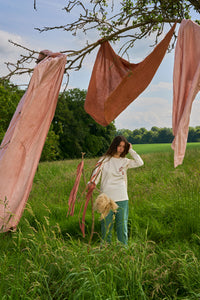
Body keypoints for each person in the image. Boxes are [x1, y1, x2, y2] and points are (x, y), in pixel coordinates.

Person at [89, 135, 144, 245]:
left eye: (123, 147)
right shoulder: (103, 160)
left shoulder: (125, 161)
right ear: (114, 145)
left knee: (122, 227)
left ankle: (123, 252)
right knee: (106, 227)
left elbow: (140, 162)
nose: (121, 149)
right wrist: (92, 184)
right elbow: (95, 177)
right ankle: (105, 251)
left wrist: (131, 150)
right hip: (107, 199)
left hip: (122, 197)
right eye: (119, 146)